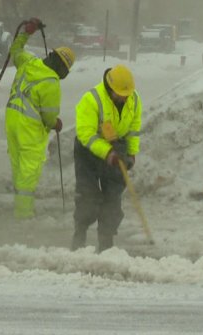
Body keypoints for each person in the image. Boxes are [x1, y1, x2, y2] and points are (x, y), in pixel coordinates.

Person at [5, 18, 75, 219]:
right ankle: (24, 215)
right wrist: (56, 124)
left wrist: (26, 33)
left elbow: (15, 51)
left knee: (18, 167)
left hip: (11, 120)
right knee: (29, 172)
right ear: (63, 69)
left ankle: (21, 208)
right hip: (29, 129)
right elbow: (49, 116)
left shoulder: (29, 61)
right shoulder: (51, 82)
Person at [71, 64, 142, 252]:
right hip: (89, 152)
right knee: (88, 196)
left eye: (126, 95)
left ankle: (106, 242)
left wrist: (131, 153)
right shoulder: (91, 100)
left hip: (117, 149)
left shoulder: (133, 99)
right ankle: (80, 234)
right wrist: (107, 153)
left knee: (113, 198)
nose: (124, 98)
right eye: (120, 94)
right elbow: (86, 134)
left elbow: (134, 129)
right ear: (110, 89)